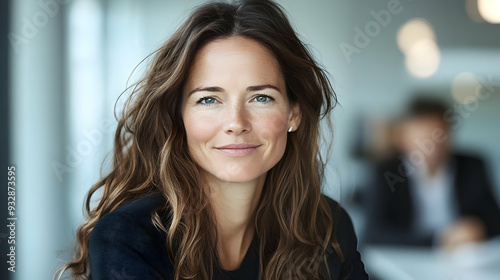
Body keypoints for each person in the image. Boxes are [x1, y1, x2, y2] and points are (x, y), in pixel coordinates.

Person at [60, 1, 369, 279]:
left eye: (261, 97)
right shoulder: (128, 237)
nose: (236, 123)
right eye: (209, 100)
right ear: (178, 117)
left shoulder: (328, 226)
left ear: (294, 114)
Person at [364, 96, 500, 248]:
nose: (432, 146)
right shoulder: (386, 172)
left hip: (465, 257)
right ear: (403, 137)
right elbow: (373, 233)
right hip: (409, 256)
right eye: (423, 137)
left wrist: (478, 229)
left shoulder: (472, 166)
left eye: (439, 136)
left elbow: (495, 221)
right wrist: (439, 239)